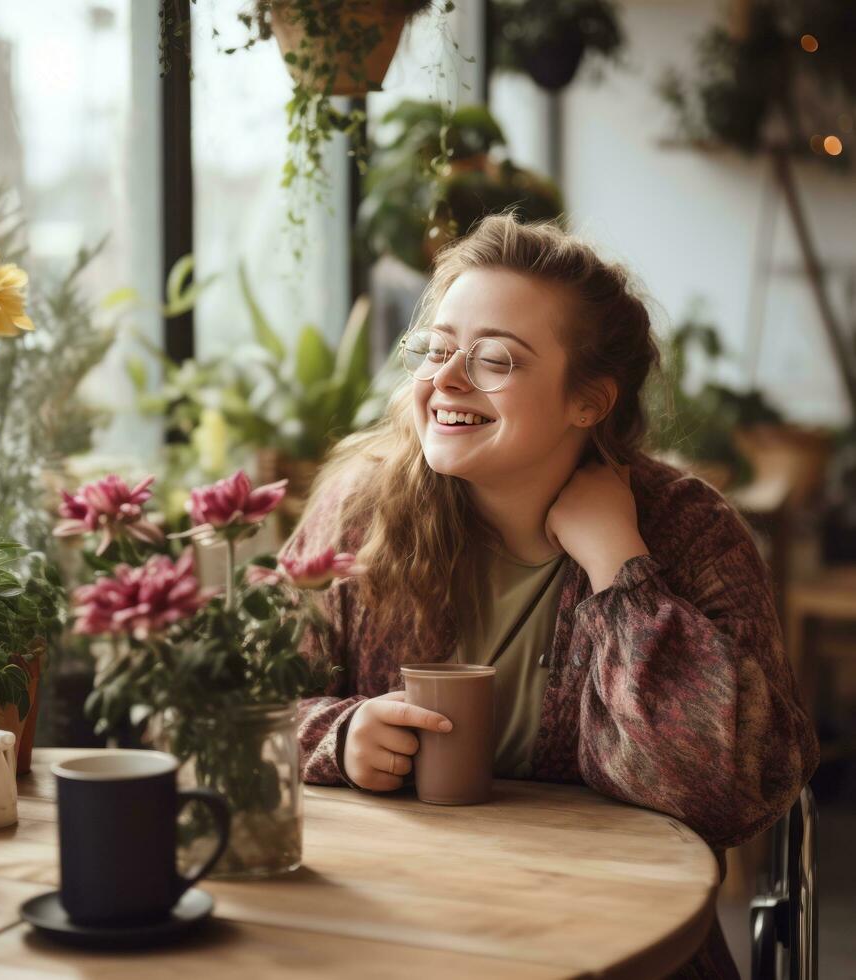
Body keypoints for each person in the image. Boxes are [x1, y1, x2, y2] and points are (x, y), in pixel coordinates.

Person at [278, 214, 819, 978]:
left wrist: (620, 568)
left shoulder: (688, 532)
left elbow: (727, 793)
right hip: (393, 930)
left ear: (588, 402)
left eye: (495, 358)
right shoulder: (360, 511)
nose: (446, 380)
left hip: (621, 940)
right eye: (435, 349)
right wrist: (340, 736)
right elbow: (230, 717)